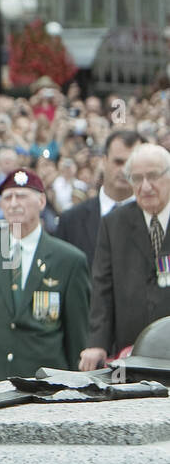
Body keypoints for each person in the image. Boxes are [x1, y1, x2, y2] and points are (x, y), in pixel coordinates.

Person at [0, 170, 90, 384]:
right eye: (7, 198)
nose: (14, 204)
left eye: (22, 196)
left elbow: (77, 337)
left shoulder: (69, 260)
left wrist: (76, 389)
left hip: (46, 386)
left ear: (42, 201)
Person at [81, 143, 170, 369]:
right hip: (130, 353)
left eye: (153, 177)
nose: (145, 186)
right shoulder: (114, 224)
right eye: (137, 179)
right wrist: (97, 343)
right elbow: (103, 287)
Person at [54, 130, 138, 267]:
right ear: (104, 162)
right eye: (118, 162)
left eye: (131, 163)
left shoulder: (154, 218)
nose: (124, 170)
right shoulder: (71, 220)